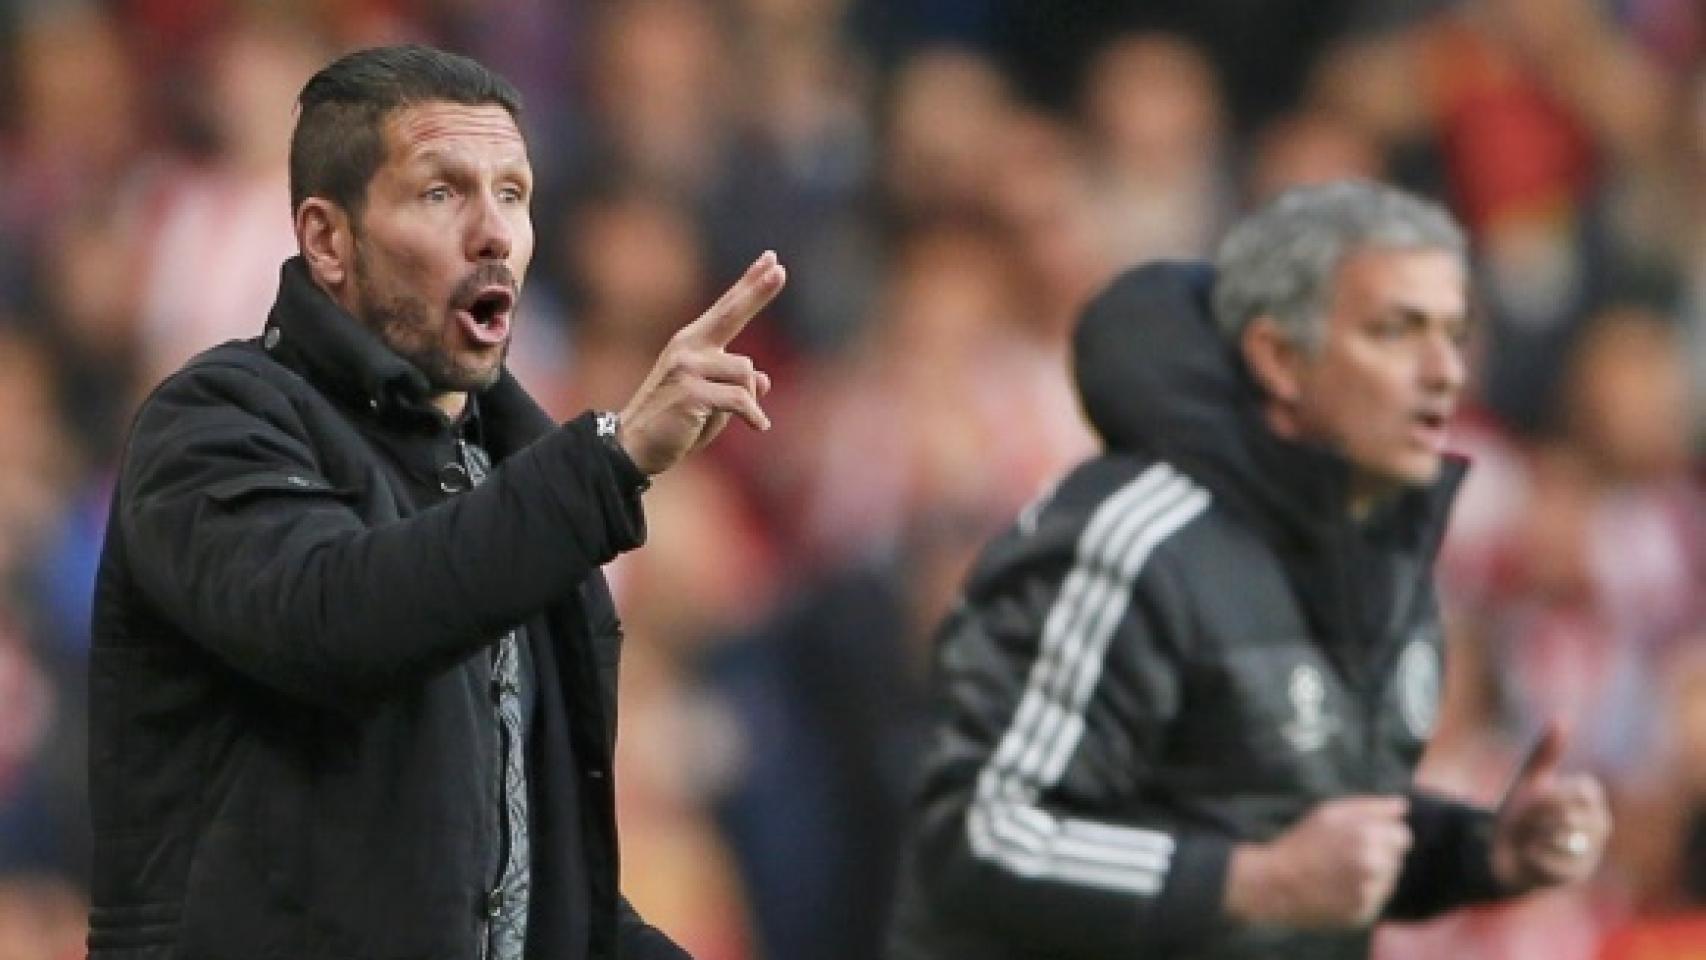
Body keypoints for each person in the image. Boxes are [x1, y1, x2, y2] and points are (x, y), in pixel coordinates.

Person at [87, 45, 784, 960]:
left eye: (514, 193)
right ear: (328, 239)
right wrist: (607, 462)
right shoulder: (212, 425)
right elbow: (338, 620)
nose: (494, 231)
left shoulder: (517, 474)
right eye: (442, 193)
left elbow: (544, 899)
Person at [886, 180, 1612, 960]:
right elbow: (976, 836)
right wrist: (1256, 879)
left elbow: (1290, 825)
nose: (1443, 372)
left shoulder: (1383, 557)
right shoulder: (1133, 543)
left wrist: (1478, 852)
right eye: (1397, 331)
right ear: (1279, 358)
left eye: (1453, 333)